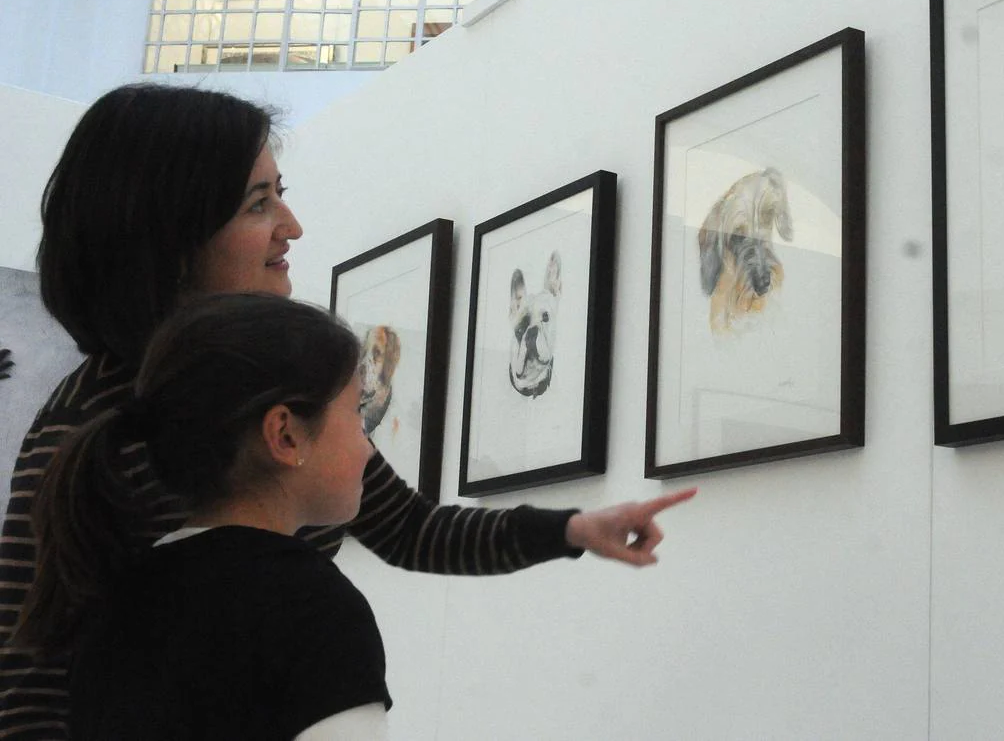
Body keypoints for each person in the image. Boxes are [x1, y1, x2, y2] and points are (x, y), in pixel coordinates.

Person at [0, 84, 695, 739]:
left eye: (282, 196)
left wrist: (571, 528)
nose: (291, 227)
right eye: (257, 204)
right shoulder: (90, 426)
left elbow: (410, 528)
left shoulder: (266, 382)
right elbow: (28, 672)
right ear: (171, 235)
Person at [14, 293, 392, 739]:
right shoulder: (312, 606)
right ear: (285, 434)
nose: (368, 445)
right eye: (355, 414)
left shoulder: (113, 597)